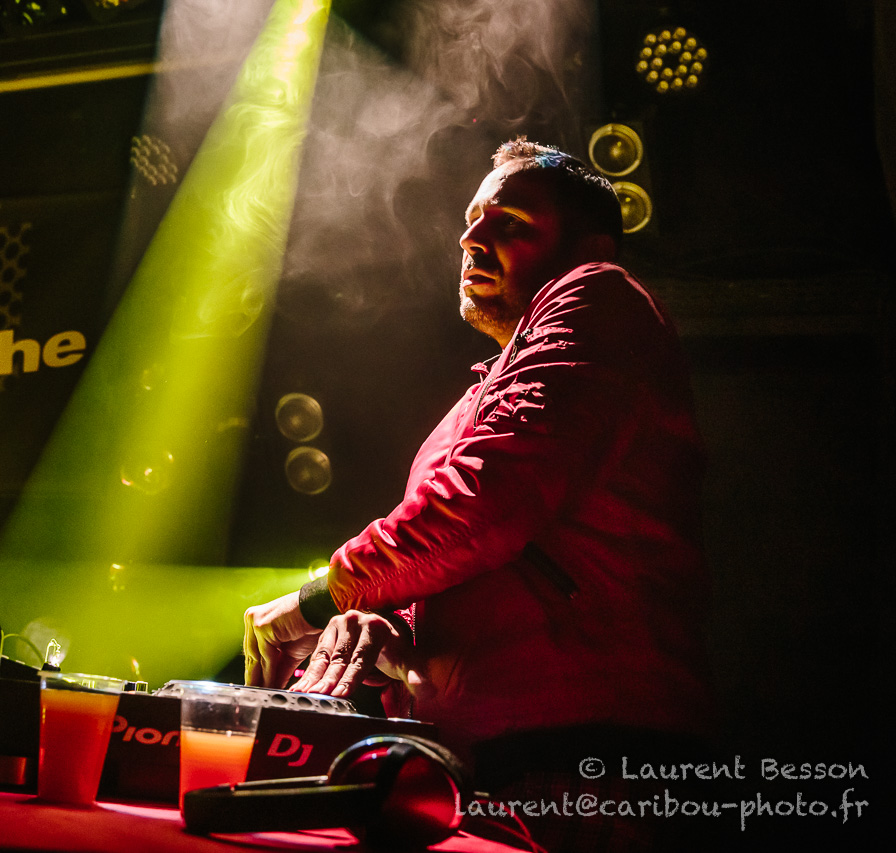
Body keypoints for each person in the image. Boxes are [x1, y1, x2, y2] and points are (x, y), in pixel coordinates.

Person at [243, 139, 714, 851]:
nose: (470, 238)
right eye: (470, 221)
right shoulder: (476, 399)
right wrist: (390, 629)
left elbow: (486, 504)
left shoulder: (601, 294)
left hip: (594, 768)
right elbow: (473, 564)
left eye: (510, 222)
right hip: (496, 767)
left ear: (590, 247)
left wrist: (322, 596)